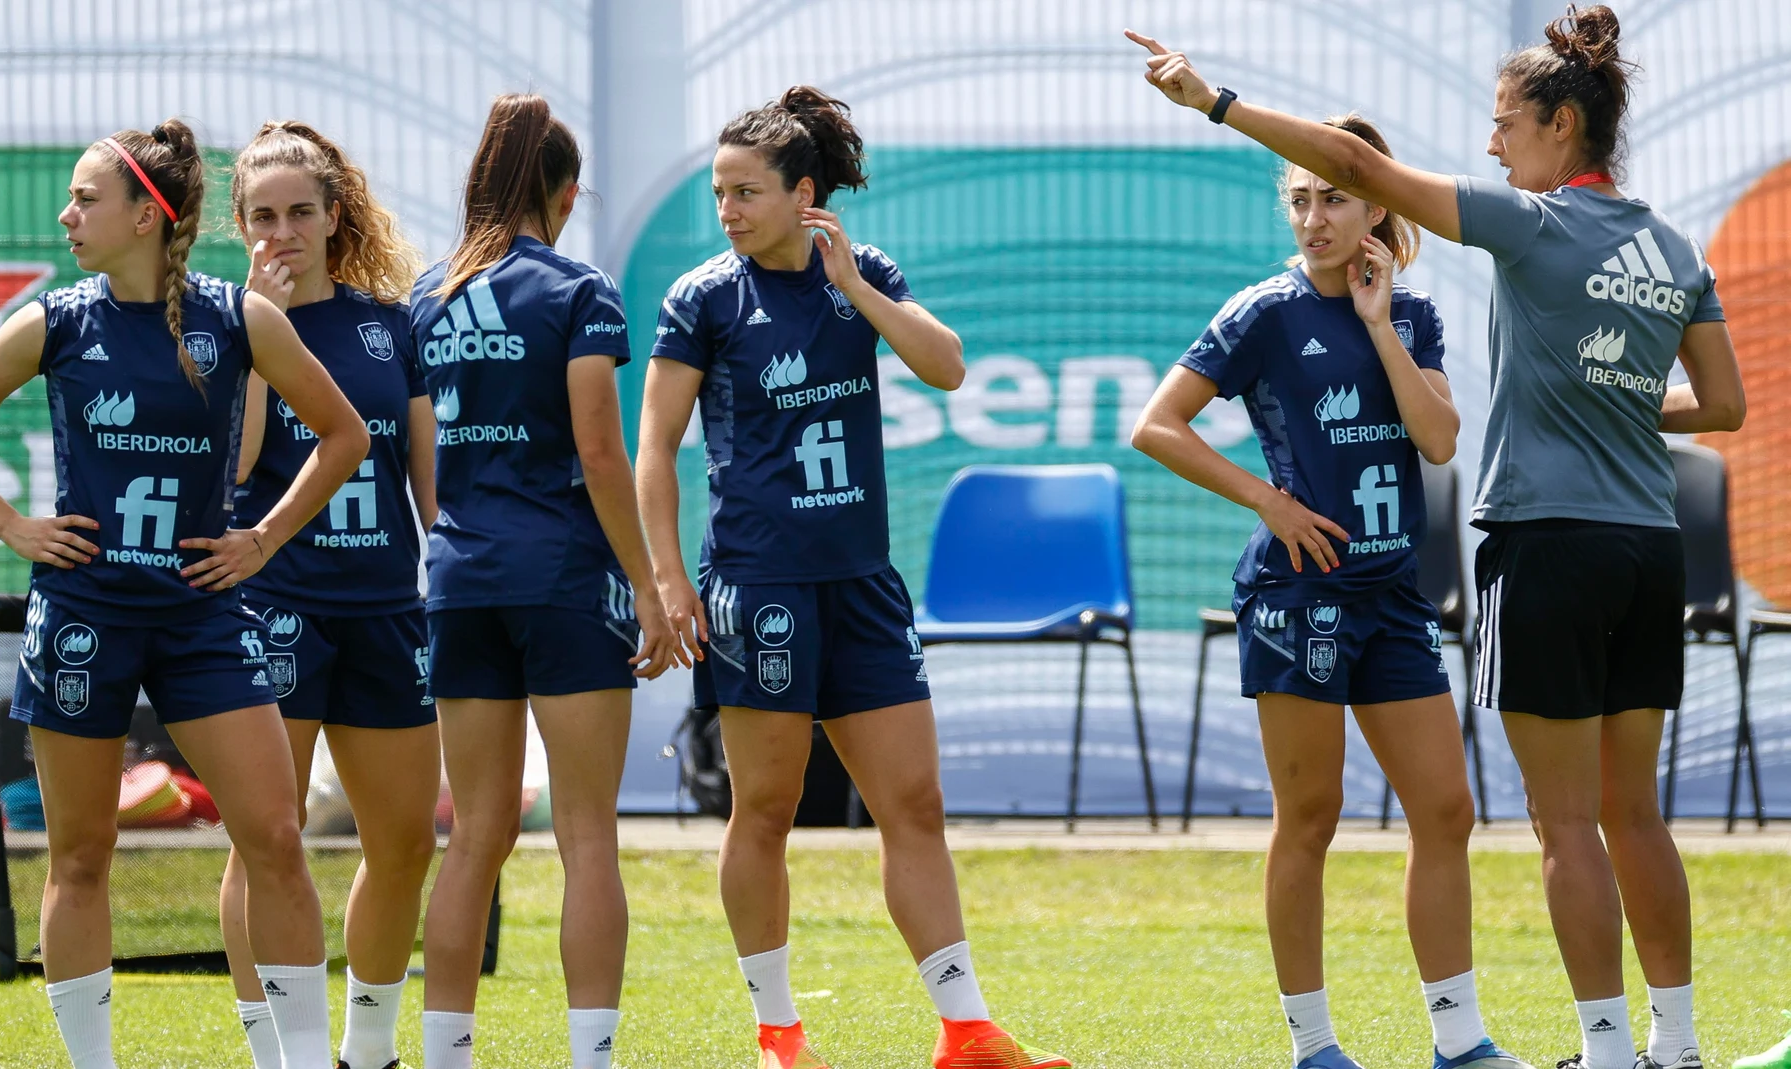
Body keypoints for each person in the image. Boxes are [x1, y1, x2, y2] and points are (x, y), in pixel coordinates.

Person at [1126, 6, 1746, 1069]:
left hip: (1547, 545)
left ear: (1560, 122)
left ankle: (1597, 1052)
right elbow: (1720, 405)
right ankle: (1671, 1047)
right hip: (1646, 547)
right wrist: (1611, 399)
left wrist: (1215, 101)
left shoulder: (1528, 224)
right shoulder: (1670, 244)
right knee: (1633, 816)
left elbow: (1353, 158)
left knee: (1560, 826)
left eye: (1505, 122)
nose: (1492, 144)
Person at [0, 121, 368, 1069]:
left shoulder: (239, 320)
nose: (67, 215)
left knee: (276, 837)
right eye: (72, 197)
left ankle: (305, 1061)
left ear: (148, 218)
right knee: (79, 855)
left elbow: (345, 435)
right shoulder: (56, 321)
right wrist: (14, 527)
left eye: (86, 198)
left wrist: (262, 536)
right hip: (83, 618)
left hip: (204, 615)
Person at [635, 85, 1068, 1069]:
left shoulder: (861, 271)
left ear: (804, 194)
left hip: (863, 583)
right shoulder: (701, 299)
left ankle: (965, 1030)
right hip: (759, 588)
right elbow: (653, 448)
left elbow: (949, 367)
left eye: (746, 192)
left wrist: (859, 291)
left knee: (912, 804)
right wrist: (669, 578)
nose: (729, 211)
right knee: (767, 810)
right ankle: (779, 1037)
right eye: (718, 193)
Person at [1130, 114, 1529, 1069]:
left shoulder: (1413, 312)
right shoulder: (1262, 312)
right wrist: (1270, 501)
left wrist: (1381, 327)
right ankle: (1314, 1047)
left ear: (1374, 205)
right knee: (1310, 818)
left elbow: (1438, 441)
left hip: (1393, 597)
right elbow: (1158, 425)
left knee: (1446, 811)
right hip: (1297, 598)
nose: (1315, 217)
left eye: (1333, 197)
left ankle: (1459, 1040)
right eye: (1300, 200)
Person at [408, 93, 678, 1069]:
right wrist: (648, 586)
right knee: (585, 835)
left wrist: (458, 547)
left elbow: (424, 466)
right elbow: (602, 456)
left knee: (473, 835)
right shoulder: (579, 290)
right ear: (561, 194)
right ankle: (591, 1059)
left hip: (461, 580)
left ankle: (446, 1056)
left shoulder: (427, 295)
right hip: (565, 582)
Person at [217, 120, 438, 1069]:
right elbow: (234, 459)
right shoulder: (224, 321)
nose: (282, 233)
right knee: (267, 843)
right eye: (262, 217)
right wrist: (255, 333)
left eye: (300, 212)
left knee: (403, 843)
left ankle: (369, 1050)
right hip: (275, 607)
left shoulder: (390, 324)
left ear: (333, 213)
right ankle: (275, 1054)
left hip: (386, 605)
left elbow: (426, 485)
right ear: (239, 225)